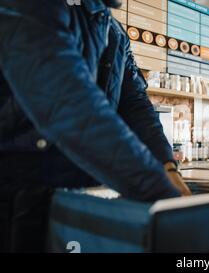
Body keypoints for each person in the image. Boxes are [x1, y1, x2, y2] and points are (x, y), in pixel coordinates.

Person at [0, 0, 190, 252]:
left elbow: (136, 106)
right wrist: (161, 192)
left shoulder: (112, 29)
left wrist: (167, 167)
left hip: (76, 194)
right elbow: (68, 106)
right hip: (18, 194)